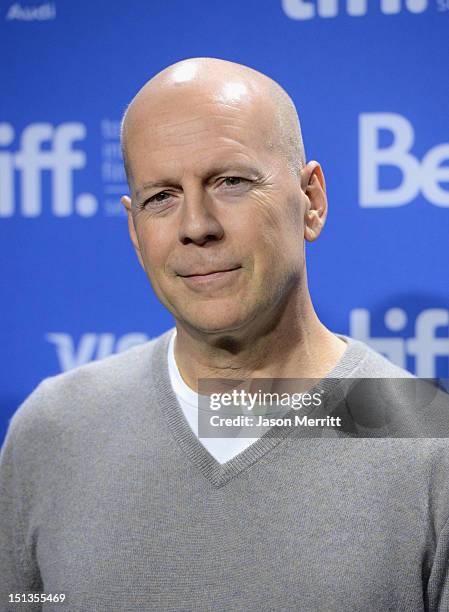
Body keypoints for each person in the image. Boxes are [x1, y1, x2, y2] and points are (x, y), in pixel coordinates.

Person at [0, 57, 448, 611]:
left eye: (230, 182)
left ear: (311, 200)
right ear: (135, 232)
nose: (196, 226)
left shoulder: (433, 443)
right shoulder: (52, 431)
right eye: (161, 196)